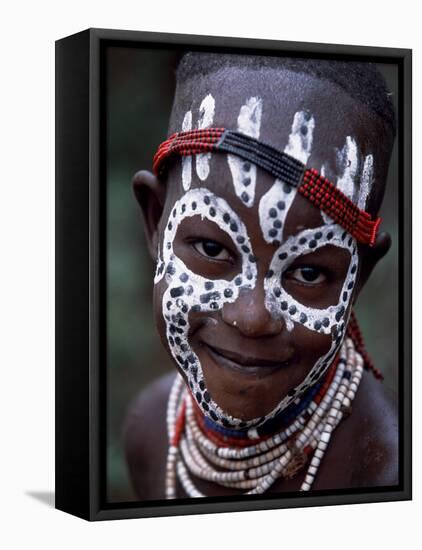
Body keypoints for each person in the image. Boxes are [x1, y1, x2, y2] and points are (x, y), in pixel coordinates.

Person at [123, 52, 398, 500]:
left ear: (357, 278)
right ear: (156, 222)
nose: (252, 317)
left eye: (308, 272)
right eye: (212, 249)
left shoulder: (388, 472)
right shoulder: (149, 431)